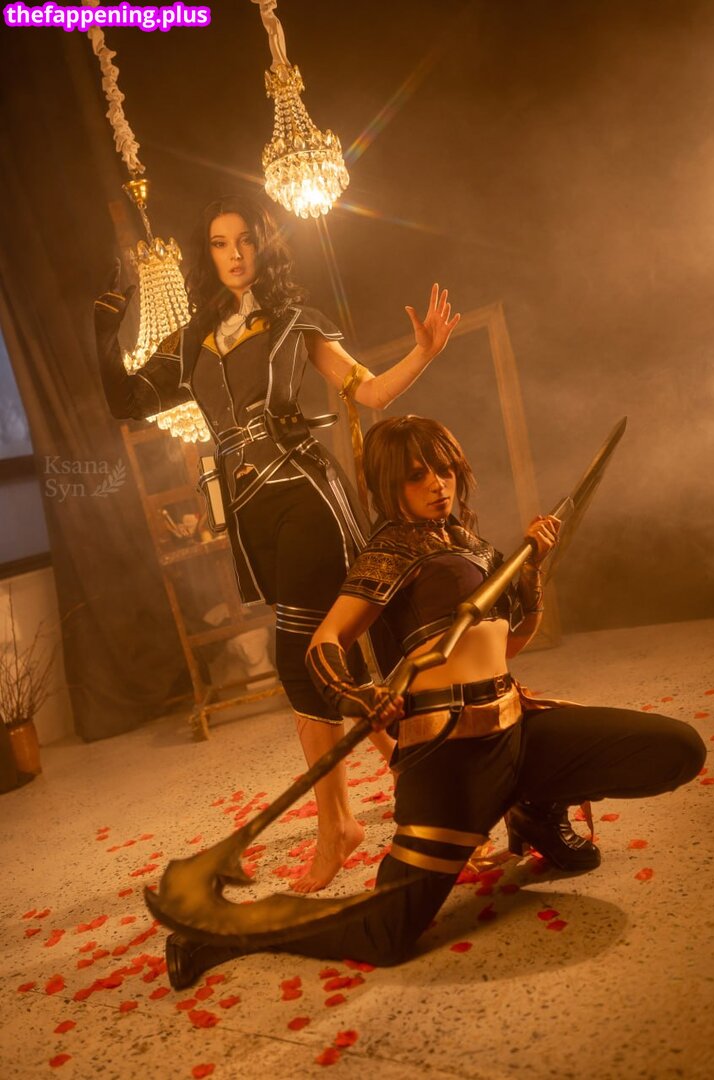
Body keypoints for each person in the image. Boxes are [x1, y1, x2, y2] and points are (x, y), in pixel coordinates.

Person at [163, 415, 706, 987]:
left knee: (675, 750)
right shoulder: (390, 550)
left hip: (518, 729)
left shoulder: (471, 545)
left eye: (444, 470)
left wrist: (530, 574)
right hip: (453, 759)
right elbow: (324, 642)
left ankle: (535, 807)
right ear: (388, 485)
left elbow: (507, 645)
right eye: (417, 475)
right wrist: (360, 695)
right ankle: (219, 933)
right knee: (386, 934)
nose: (437, 484)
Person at [94, 196, 460, 892]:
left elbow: (370, 392)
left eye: (245, 240)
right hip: (250, 511)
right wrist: (104, 326)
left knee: (299, 655)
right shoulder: (194, 339)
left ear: (264, 246)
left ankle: (338, 825)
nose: (234, 254)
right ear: (208, 254)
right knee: (326, 655)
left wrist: (423, 351)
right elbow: (125, 400)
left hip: (306, 494)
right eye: (219, 243)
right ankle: (410, 766)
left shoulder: (296, 320)